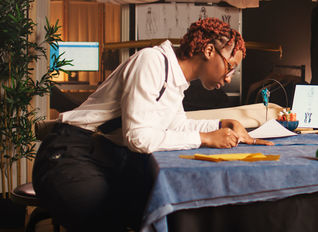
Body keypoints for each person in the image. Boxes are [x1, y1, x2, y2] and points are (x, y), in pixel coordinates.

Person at [33, 17, 273, 231]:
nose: (229, 76)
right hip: (67, 156)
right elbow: (139, 138)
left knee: (161, 212)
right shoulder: (152, 62)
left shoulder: (175, 79)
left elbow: (176, 126)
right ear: (209, 50)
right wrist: (205, 138)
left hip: (101, 158)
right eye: (230, 66)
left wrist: (222, 124)